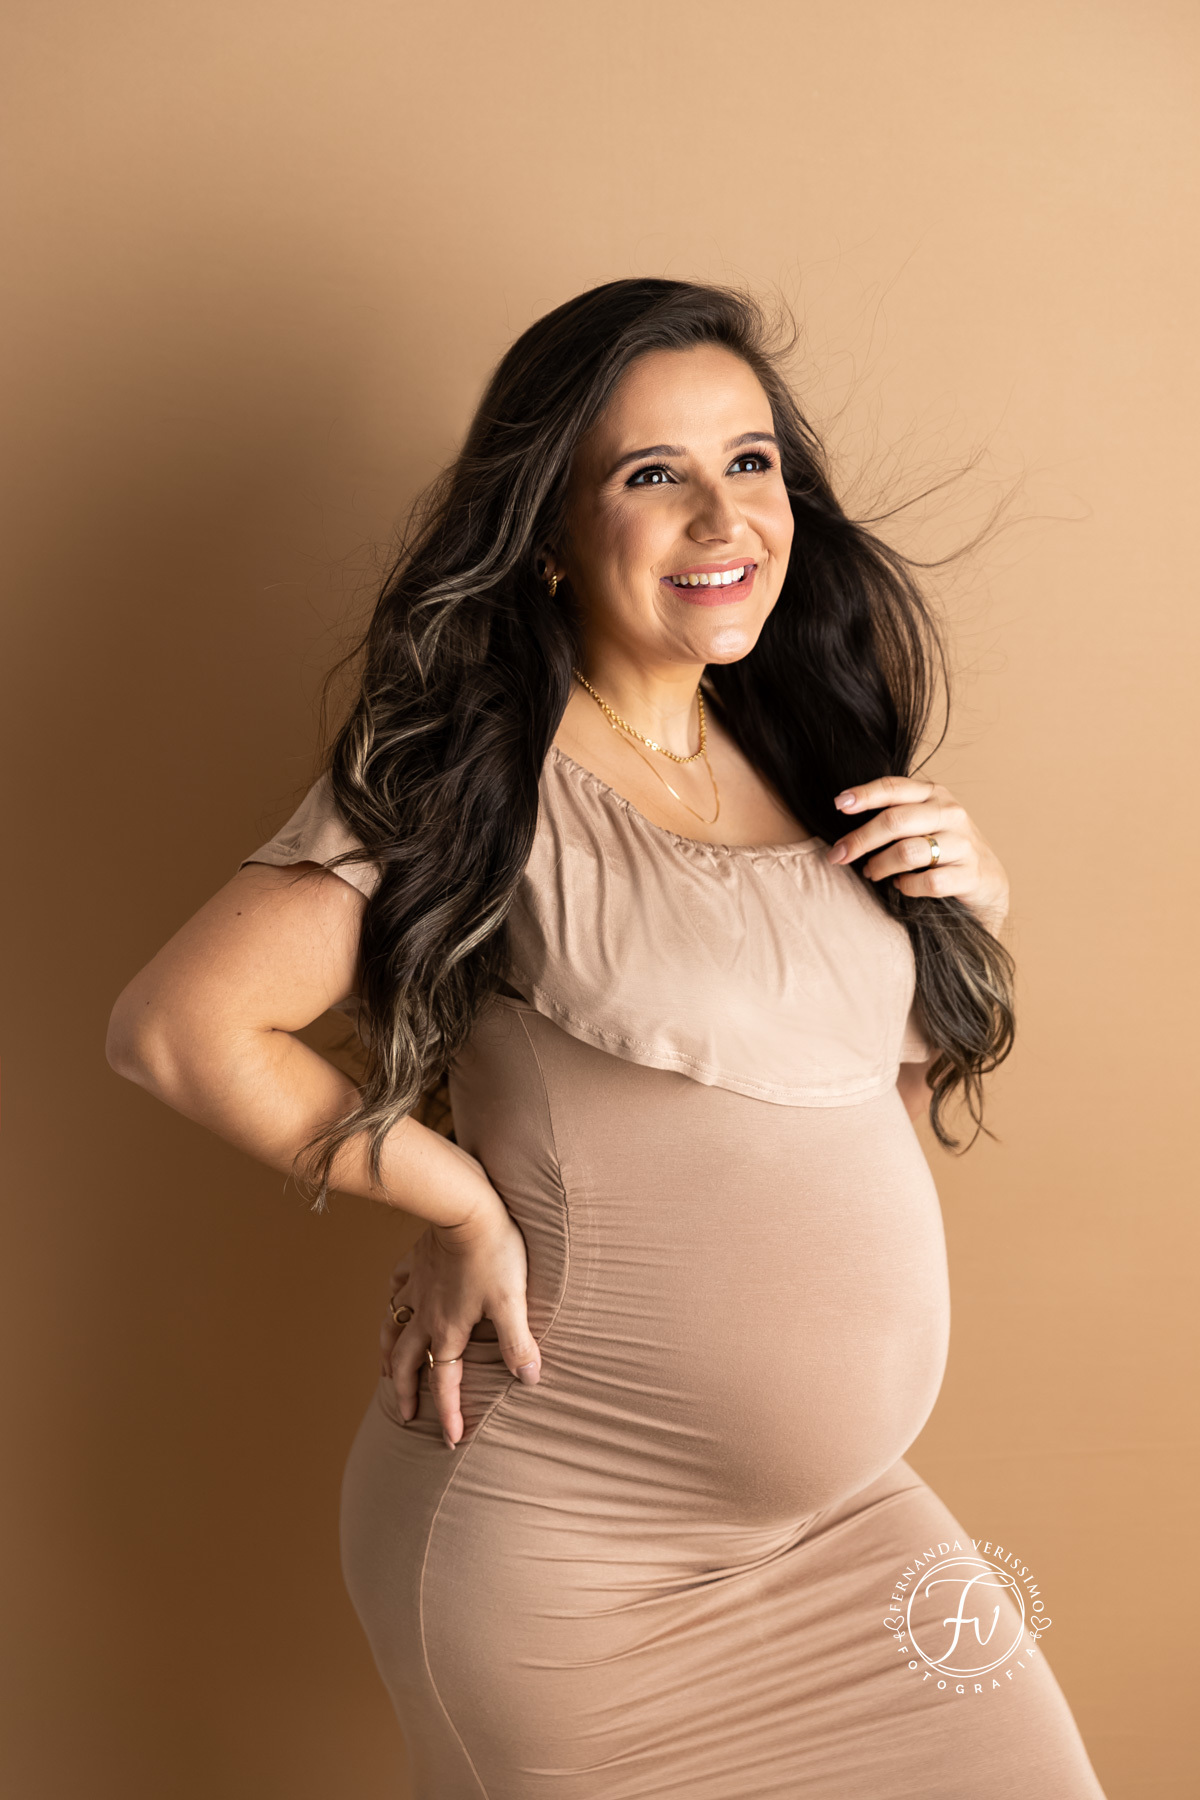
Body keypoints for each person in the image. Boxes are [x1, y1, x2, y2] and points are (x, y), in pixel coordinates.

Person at [106, 279, 1106, 1798]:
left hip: (835, 1531)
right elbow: (178, 1029)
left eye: (752, 462)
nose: (724, 516)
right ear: (552, 535)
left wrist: (974, 900)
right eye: (654, 475)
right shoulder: (472, 772)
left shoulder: (816, 754)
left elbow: (862, 1093)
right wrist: (454, 1197)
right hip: (569, 1550)